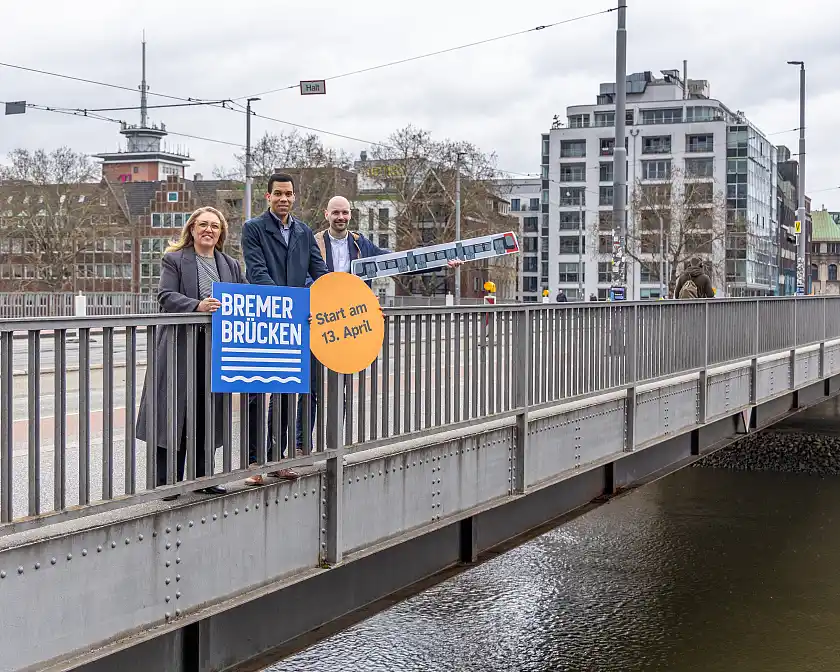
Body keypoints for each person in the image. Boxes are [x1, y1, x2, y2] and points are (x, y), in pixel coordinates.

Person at [136, 206, 245, 500]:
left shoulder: (231, 265)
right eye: (203, 225)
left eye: (215, 226)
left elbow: (250, 299)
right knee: (173, 413)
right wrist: (197, 306)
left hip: (214, 350)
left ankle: (203, 478)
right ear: (192, 229)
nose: (209, 230)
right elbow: (165, 295)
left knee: (206, 413)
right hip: (179, 348)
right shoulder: (174, 259)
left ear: (221, 233)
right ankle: (168, 482)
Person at [241, 173, 330, 484]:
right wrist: (287, 304)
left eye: (288, 194)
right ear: (268, 197)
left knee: (285, 392)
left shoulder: (304, 232)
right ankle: (254, 462)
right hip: (265, 318)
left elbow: (321, 274)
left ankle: (278, 459)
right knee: (257, 391)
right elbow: (257, 272)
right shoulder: (253, 228)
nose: (283, 198)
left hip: (293, 324)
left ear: (294, 197)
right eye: (278, 193)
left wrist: (346, 299)